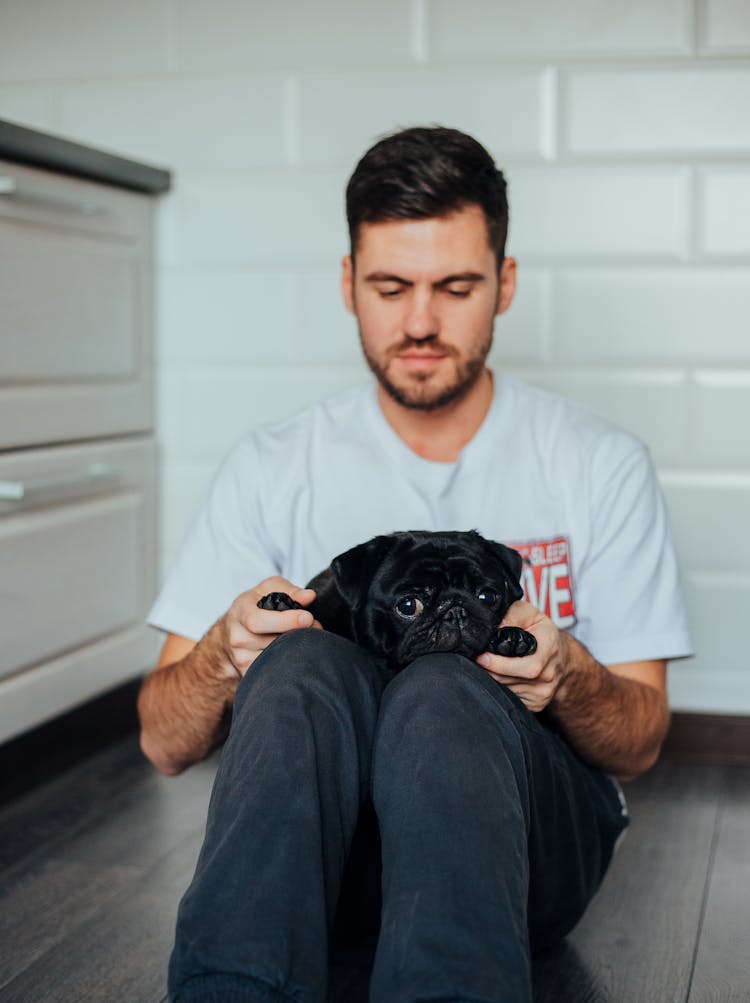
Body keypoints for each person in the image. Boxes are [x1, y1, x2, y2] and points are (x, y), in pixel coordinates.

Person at [138, 126, 693, 1003]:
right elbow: (163, 741)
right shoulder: (272, 462)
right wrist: (225, 651)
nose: (422, 321)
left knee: (444, 687)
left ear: (505, 285)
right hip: (324, 872)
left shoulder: (598, 461)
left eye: (456, 286)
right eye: (391, 287)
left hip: (527, 861)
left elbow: (642, 741)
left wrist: (565, 675)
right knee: (300, 661)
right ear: (348, 282)